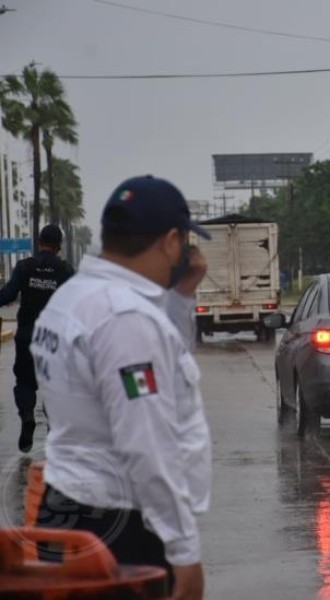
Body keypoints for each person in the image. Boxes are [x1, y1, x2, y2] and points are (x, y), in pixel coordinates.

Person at [31, 175, 212, 600]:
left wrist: (182, 295)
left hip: (70, 509)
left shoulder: (76, 297)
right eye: (185, 240)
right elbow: (146, 444)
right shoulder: (123, 318)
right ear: (171, 241)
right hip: (119, 528)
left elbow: (160, 363)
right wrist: (184, 552)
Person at [0, 224, 74, 453]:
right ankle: (53, 428)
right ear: (59, 246)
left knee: (24, 383)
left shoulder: (25, 267)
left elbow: (8, 294)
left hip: (26, 338)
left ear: (39, 241)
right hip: (54, 340)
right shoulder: (65, 271)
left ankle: (27, 418)